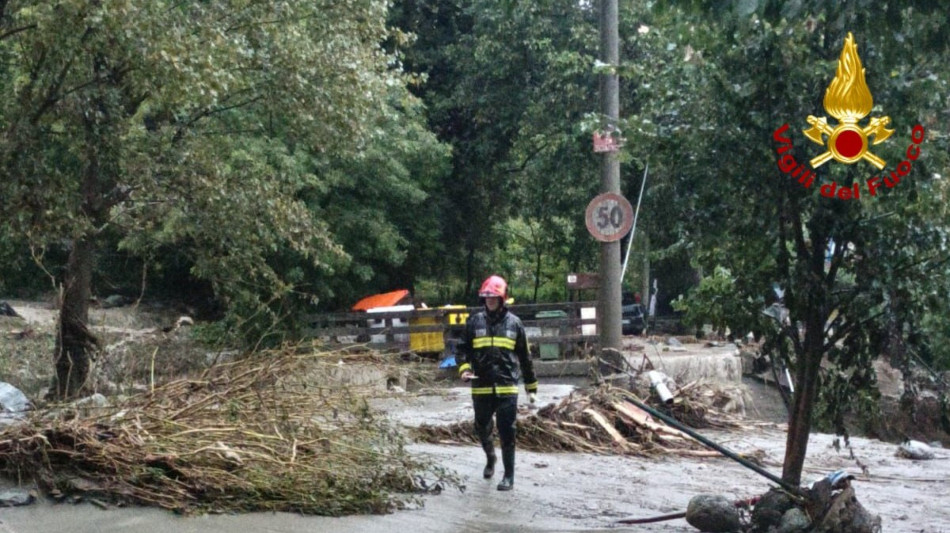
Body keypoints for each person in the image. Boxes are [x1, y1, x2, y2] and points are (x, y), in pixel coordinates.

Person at [457, 275, 538, 491]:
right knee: (481, 426)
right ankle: (490, 457)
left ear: (502, 299)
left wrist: (531, 387)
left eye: (493, 297)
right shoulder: (474, 322)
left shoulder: (515, 324)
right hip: (481, 385)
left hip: (507, 387)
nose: (489, 301)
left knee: (507, 431)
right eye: (486, 298)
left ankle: (508, 476)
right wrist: (464, 370)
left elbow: (525, 357)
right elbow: (461, 350)